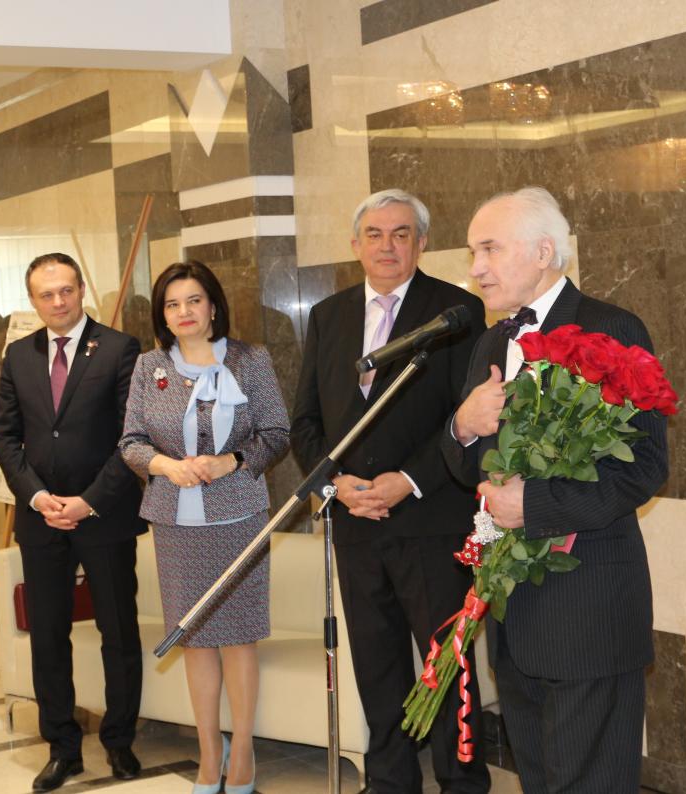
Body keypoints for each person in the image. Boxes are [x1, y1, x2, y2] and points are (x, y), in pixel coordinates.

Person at [443, 187, 669, 793]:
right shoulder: (491, 342)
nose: (476, 268)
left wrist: (532, 506)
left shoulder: (611, 329)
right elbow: (465, 468)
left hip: (588, 610)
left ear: (544, 252)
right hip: (514, 615)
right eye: (472, 252)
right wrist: (463, 425)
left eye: (489, 249)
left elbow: (644, 466)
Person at [291, 189, 488, 794]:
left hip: (430, 519)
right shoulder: (329, 315)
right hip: (355, 523)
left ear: (422, 243)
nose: (387, 246)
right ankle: (390, 782)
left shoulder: (456, 311)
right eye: (374, 234)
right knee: (376, 668)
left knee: (446, 667)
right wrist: (336, 484)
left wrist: (408, 481)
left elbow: (466, 418)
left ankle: (462, 783)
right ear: (355, 245)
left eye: (401, 234)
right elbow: (307, 423)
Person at [119, 261, 290, 794]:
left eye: (194, 300)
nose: (184, 312)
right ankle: (209, 754)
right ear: (162, 315)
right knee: (194, 639)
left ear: (213, 306)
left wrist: (231, 460)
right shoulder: (149, 366)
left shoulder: (249, 360)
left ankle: (244, 752)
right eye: (172, 304)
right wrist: (165, 466)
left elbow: (277, 432)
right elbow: (131, 442)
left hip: (239, 517)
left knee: (238, 639)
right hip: (175, 522)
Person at [0, 253, 146, 791]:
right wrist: (37, 498)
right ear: (32, 300)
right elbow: (4, 436)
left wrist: (88, 501)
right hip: (42, 521)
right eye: (46, 294)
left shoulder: (121, 349)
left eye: (66, 290)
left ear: (82, 288)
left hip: (104, 516)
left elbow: (133, 437)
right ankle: (62, 747)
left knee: (118, 631)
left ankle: (120, 741)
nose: (58, 302)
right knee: (48, 634)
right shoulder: (18, 355)